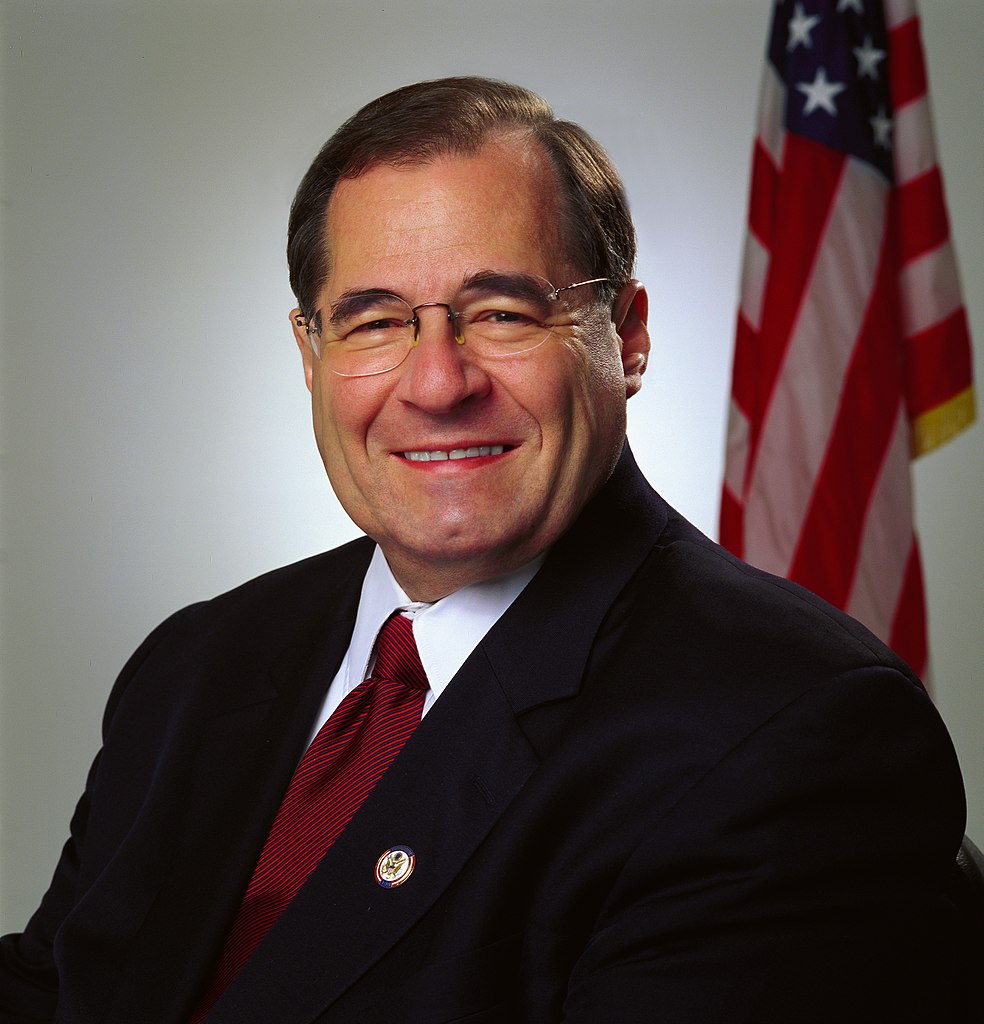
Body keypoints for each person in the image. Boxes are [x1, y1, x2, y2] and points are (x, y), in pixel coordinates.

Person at [0, 77, 968, 1023]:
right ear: (311, 354)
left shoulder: (794, 732)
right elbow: (54, 985)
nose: (435, 381)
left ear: (625, 339)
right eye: (374, 321)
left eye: (503, 311)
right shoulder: (197, 664)